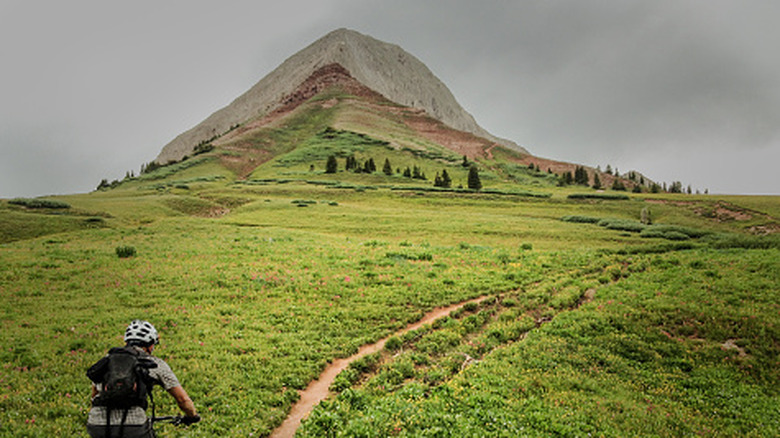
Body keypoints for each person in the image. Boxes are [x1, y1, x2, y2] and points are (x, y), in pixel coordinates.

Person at [87, 320, 200, 437]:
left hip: (97, 425)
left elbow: (95, 394)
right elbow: (182, 399)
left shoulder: (107, 361)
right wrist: (192, 416)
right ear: (150, 345)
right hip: (135, 426)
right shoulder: (155, 364)